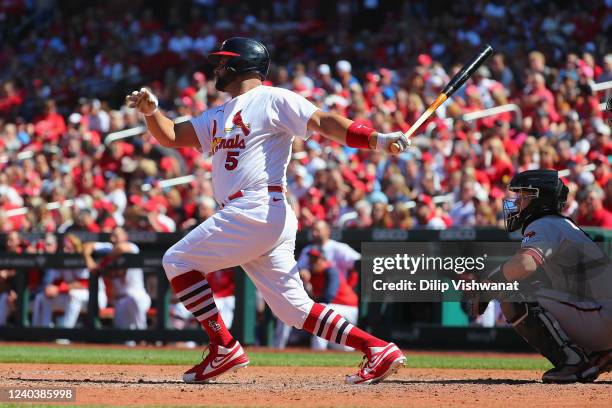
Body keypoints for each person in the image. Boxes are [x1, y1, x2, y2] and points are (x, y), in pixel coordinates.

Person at [126, 37, 410, 385]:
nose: (217, 67)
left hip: (256, 205)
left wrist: (376, 139)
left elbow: (324, 121)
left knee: (177, 260)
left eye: (223, 61)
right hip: (258, 214)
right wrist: (151, 112)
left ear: (240, 63)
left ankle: (223, 346)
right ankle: (377, 348)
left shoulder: (272, 98)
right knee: (293, 310)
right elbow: (171, 136)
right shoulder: (218, 114)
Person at [465, 170, 612, 383]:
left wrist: (489, 284)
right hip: (601, 314)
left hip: (602, 316)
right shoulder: (560, 224)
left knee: (514, 295)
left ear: (538, 198)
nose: (516, 202)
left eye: (522, 196)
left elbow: (525, 263)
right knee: (530, 287)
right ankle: (598, 356)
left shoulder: (545, 223)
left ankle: (573, 362)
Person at [31, 234, 108, 328]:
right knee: (43, 297)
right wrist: (51, 288)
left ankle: (65, 334)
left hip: (96, 297)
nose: (65, 250)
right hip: (70, 297)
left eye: (68, 248)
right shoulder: (61, 259)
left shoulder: (83, 258)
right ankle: (43, 332)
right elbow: (56, 280)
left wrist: (59, 288)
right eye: (64, 247)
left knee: (74, 295)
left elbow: (84, 284)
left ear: (75, 247)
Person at [83, 227, 151, 330]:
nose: (113, 239)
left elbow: (121, 248)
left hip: (137, 296)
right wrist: (89, 260)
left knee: (140, 331)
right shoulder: (109, 247)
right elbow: (87, 245)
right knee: (122, 337)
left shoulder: (132, 247)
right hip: (119, 299)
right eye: (112, 236)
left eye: (116, 236)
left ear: (125, 237)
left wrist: (102, 264)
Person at [302, 247, 359, 351]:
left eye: (315, 259)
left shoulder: (331, 271)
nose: (312, 262)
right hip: (335, 311)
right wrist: (305, 282)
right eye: (311, 259)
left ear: (324, 260)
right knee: (344, 349)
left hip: (349, 309)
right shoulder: (311, 274)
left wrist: (310, 292)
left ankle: (317, 351)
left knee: (322, 310)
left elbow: (327, 297)